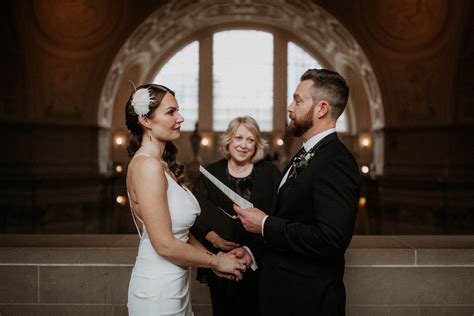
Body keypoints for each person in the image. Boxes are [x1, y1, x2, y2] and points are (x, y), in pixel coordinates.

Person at [232, 69, 361, 315]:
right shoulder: (306, 154)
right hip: (282, 297)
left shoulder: (336, 161)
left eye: (298, 100)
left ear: (322, 108)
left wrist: (264, 224)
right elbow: (293, 219)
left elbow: (331, 239)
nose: (290, 107)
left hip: (309, 301)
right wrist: (252, 252)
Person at [124, 84, 247, 315]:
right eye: (171, 112)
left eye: (178, 110)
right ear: (146, 120)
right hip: (157, 291)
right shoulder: (147, 167)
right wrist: (216, 262)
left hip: (174, 286)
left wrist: (216, 258)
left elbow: (180, 233)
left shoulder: (162, 166)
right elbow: (164, 244)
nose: (180, 118)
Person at [191, 116, 280, 316]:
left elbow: (279, 216)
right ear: (229, 140)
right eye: (238, 137)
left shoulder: (270, 172)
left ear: (257, 145)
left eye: (250, 140)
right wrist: (213, 238)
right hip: (220, 261)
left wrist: (252, 250)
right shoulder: (210, 173)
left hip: (260, 261)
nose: (243, 145)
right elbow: (194, 215)